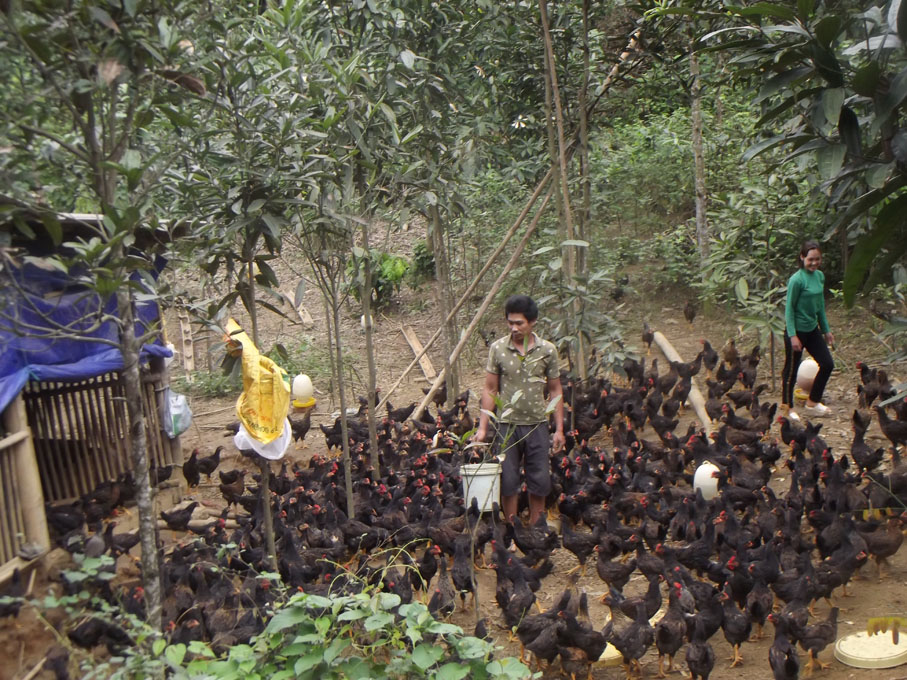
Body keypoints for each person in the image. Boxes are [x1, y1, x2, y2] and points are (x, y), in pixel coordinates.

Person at [473, 294, 565, 527]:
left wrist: (559, 429)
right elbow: (491, 388)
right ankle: (513, 532)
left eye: (519, 323)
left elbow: (555, 391)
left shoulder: (548, 351)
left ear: (532, 322)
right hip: (507, 425)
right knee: (508, 481)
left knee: (540, 481)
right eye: (510, 322)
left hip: (537, 425)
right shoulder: (498, 349)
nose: (514, 328)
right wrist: (483, 428)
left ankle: (536, 530)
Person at [781, 240, 835, 419]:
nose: (814, 263)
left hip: (812, 329)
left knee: (827, 364)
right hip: (796, 330)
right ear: (802, 257)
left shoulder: (819, 276)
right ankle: (788, 407)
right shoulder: (796, 280)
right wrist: (793, 335)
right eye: (810, 259)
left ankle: (813, 402)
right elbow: (789, 309)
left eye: (817, 259)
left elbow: (820, 306)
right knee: (792, 369)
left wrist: (826, 330)